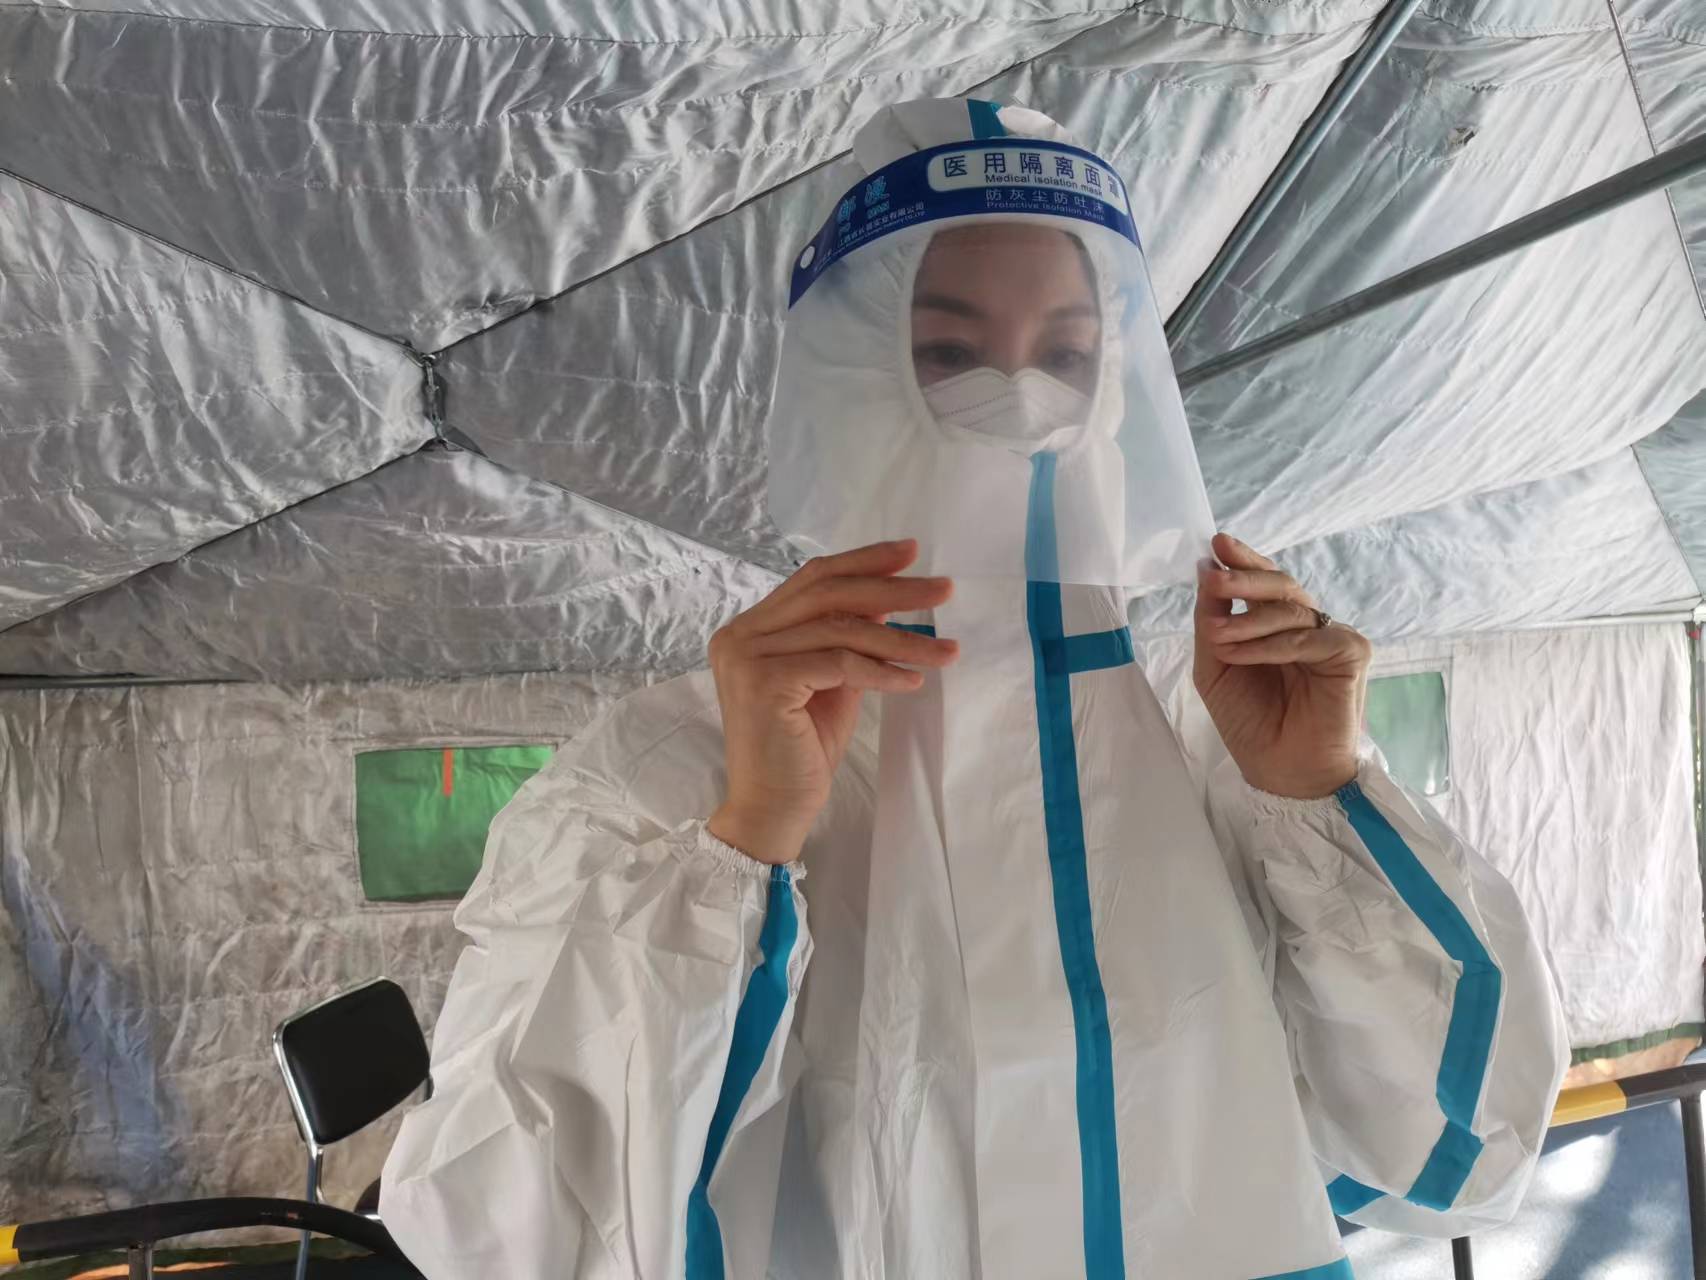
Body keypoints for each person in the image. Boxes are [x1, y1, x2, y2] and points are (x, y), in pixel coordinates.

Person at [379, 99, 1569, 1280]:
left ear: (1117, 396)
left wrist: (1320, 794)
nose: (1020, 402)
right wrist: (741, 848)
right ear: (849, 385)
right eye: (947, 354)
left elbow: (1463, 1145)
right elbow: (504, 1235)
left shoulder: (1222, 757)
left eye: (1065, 355)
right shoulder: (665, 776)